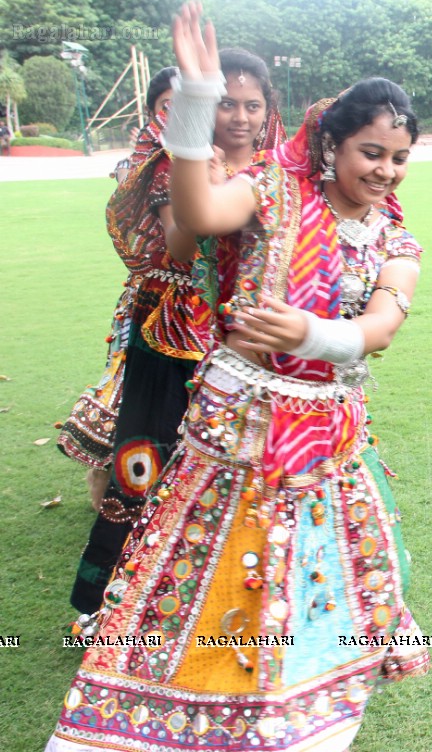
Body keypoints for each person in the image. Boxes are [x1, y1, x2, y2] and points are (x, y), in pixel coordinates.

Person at [48, 3, 429, 751]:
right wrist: (193, 99)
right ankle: (170, 712)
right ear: (331, 145)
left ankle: (289, 715)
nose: (384, 171)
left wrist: (315, 335)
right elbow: (192, 209)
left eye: (397, 157)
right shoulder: (271, 193)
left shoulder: (396, 235)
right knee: (206, 575)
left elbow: (384, 324)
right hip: (235, 434)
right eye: (370, 152)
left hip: (323, 439)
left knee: (304, 583)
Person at [66, 51, 286, 616]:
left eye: (252, 105)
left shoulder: (279, 170)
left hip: (249, 338)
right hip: (173, 331)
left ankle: (226, 597)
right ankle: (104, 602)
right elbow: (184, 248)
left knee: (243, 465)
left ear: (268, 109)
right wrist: (209, 187)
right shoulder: (176, 165)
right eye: (227, 104)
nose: (240, 116)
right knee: (144, 460)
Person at [61, 67, 178, 507]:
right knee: (130, 389)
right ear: (151, 111)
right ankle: (108, 482)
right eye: (167, 105)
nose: (176, 114)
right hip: (150, 300)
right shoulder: (143, 161)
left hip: (195, 301)